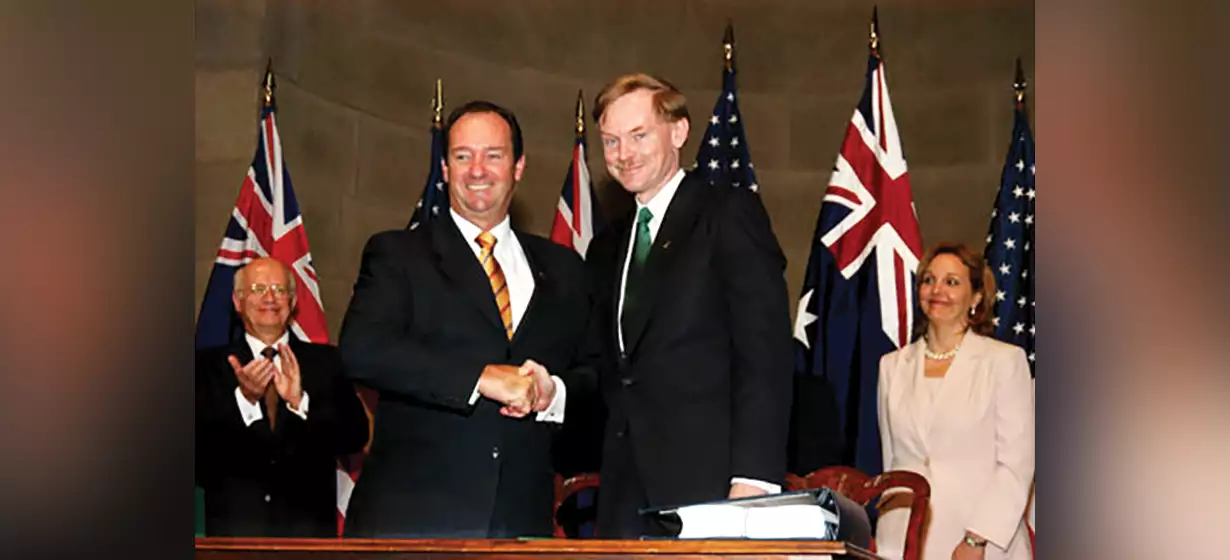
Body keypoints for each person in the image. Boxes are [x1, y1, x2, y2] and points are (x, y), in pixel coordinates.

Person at [337, 100, 597, 538]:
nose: (478, 170)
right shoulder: (399, 254)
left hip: (522, 525)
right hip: (413, 524)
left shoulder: (566, 268)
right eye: (463, 156)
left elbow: (595, 375)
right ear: (444, 168)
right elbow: (362, 349)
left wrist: (554, 394)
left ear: (518, 167)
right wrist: (480, 378)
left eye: (493, 155)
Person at [585, 73, 794, 537]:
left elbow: (765, 352)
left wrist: (754, 478)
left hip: (712, 486)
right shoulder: (606, 247)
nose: (624, 153)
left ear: (678, 132)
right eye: (611, 141)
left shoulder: (727, 214)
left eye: (639, 135)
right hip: (623, 495)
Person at [876, 243, 1034, 560]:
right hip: (902, 541)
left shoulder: (1004, 361)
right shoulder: (891, 366)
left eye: (952, 282)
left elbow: (1017, 465)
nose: (937, 290)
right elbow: (893, 462)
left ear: (976, 297)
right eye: (929, 280)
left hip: (981, 542)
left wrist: (977, 540)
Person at [195, 257, 370, 537]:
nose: (270, 298)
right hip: (235, 535)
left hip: (307, 537)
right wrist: (246, 401)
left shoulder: (327, 361)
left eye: (279, 290)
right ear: (237, 302)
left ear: (293, 302)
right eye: (258, 289)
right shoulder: (204, 366)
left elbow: (355, 436)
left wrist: (301, 403)